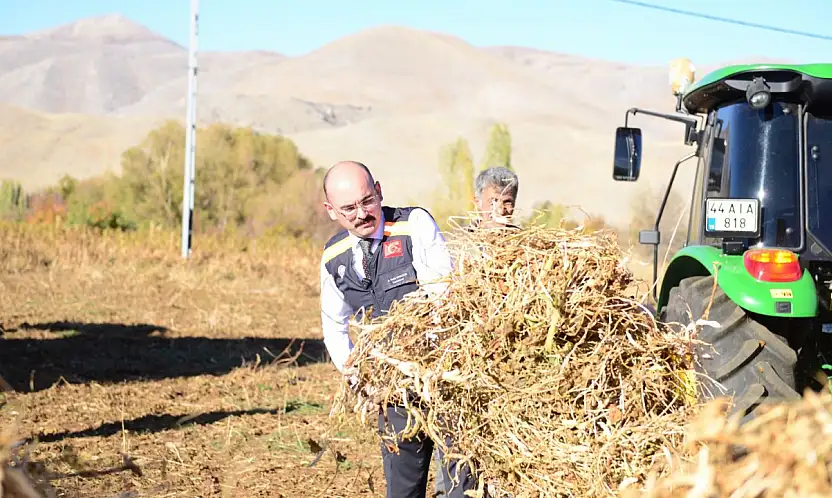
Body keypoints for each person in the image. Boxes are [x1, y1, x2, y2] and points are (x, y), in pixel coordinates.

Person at [319, 160, 480, 498]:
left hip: (445, 384)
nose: (362, 213)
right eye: (349, 208)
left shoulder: (412, 226)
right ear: (331, 211)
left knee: (459, 489)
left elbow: (444, 297)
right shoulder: (333, 257)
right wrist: (359, 379)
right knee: (402, 490)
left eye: (367, 201)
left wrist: (427, 368)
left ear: (379, 191)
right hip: (392, 395)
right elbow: (334, 326)